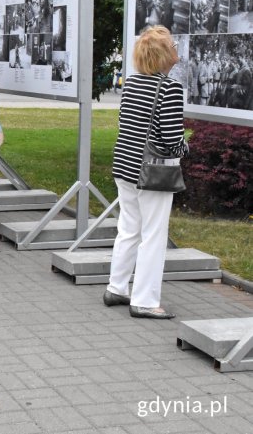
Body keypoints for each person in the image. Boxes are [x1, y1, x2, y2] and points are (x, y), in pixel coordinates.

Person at [106, 25, 188, 319]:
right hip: (152, 172)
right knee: (153, 234)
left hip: (124, 166)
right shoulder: (169, 89)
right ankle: (144, 300)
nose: (177, 51)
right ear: (164, 54)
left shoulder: (130, 84)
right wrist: (185, 148)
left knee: (128, 228)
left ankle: (117, 287)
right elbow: (170, 138)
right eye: (173, 46)